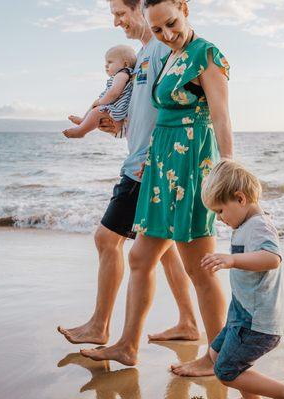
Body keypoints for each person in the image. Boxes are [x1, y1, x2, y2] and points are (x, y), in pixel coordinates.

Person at [80, 0, 233, 377]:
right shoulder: (168, 54)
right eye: (159, 29)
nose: (166, 34)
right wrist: (116, 125)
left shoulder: (206, 54)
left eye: (171, 24)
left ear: (184, 8)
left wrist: (226, 169)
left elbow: (220, 114)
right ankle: (126, 346)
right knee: (140, 257)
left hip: (189, 167)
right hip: (159, 167)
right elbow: (151, 110)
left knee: (200, 268)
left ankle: (217, 359)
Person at [57, 0, 201, 348]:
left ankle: (100, 326)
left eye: (121, 14)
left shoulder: (160, 51)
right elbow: (146, 113)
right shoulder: (143, 57)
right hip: (147, 163)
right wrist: (115, 126)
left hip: (145, 168)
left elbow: (174, 110)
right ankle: (187, 321)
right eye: (114, 16)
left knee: (107, 240)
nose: (117, 22)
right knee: (163, 250)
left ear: (140, 8)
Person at [200, 160, 284, 399]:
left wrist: (232, 261)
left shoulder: (259, 225)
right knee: (216, 356)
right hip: (241, 314)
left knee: (226, 371)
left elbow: (271, 258)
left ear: (240, 198)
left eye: (220, 210)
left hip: (256, 322)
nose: (219, 218)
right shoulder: (247, 223)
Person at [63, 45, 137, 138]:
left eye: (110, 62)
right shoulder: (123, 74)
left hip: (118, 115)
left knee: (97, 110)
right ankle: (84, 121)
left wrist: (100, 101)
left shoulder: (122, 74)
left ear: (125, 64)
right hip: (117, 116)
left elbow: (114, 93)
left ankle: (81, 131)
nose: (106, 65)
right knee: (95, 107)